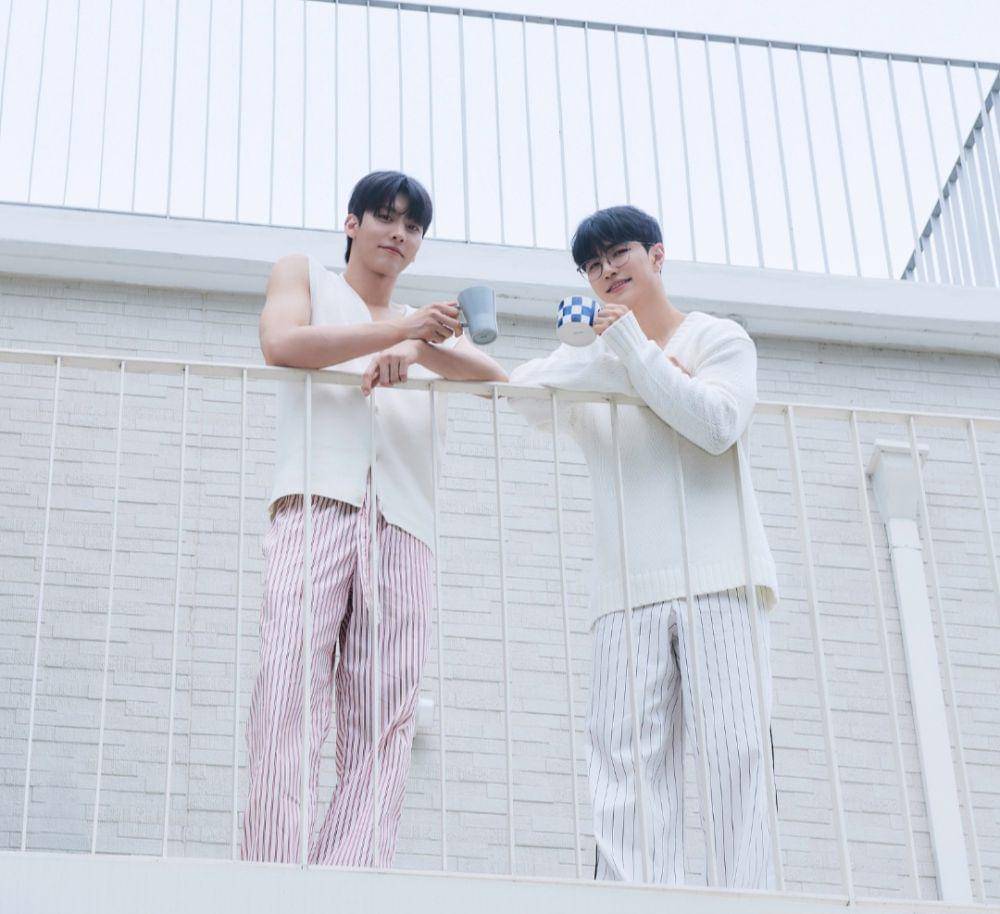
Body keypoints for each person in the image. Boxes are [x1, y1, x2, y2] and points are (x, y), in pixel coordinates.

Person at [508, 205, 780, 887]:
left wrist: (631, 351)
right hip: (623, 593)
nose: (606, 271)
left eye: (618, 254)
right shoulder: (594, 357)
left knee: (739, 754)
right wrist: (612, 361)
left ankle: (748, 900)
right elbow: (524, 391)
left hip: (721, 578)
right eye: (592, 265)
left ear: (657, 256)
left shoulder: (718, 338)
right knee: (623, 765)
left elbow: (716, 424)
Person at [242, 170, 507, 867]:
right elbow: (281, 343)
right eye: (386, 217)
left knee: (386, 713)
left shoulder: (426, 329)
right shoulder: (304, 274)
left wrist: (416, 348)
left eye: (413, 226)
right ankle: (272, 873)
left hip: (404, 525)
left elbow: (496, 378)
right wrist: (398, 331)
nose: (399, 233)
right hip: (316, 503)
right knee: (287, 682)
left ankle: (348, 878)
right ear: (352, 223)